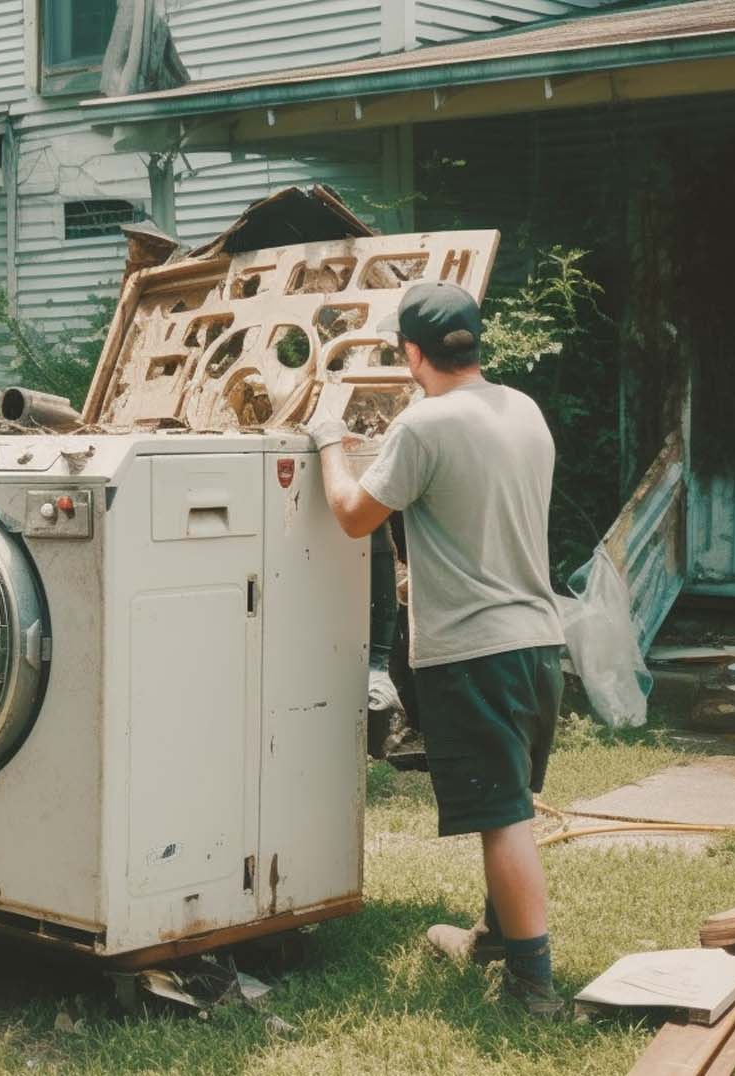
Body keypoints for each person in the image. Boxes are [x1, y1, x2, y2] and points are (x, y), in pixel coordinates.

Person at [306, 281, 567, 1018]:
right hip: (539, 642)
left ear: (411, 352)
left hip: (474, 650)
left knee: (503, 819)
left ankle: (532, 986)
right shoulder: (524, 409)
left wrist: (331, 444)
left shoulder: (425, 425)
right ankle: (494, 935)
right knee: (509, 800)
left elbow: (355, 516)